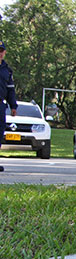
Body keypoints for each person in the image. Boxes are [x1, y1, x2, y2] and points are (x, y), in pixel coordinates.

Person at [0, 40, 17, 173]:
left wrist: (13, 106)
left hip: (0, 104)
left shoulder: (7, 70)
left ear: (4, 52)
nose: (0, 53)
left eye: (1, 51)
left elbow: (11, 89)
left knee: (0, 133)